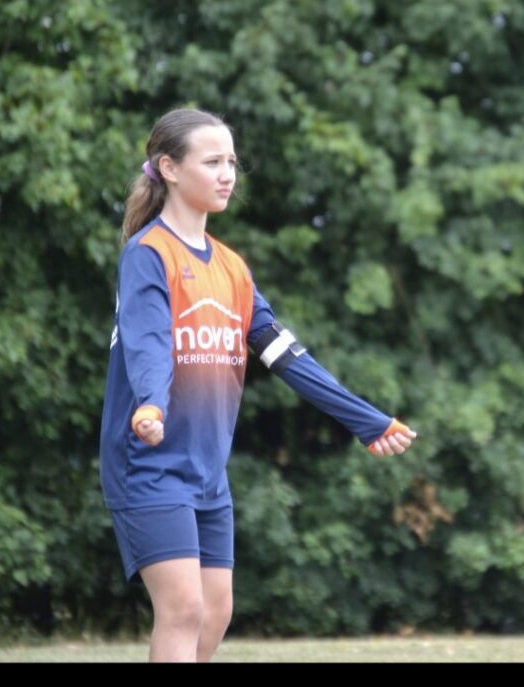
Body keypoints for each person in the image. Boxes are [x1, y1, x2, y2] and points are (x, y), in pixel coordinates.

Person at [100, 107, 415, 662]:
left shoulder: (233, 269)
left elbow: (288, 357)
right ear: (169, 168)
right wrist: (150, 405)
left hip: (206, 469)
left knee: (216, 610)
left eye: (231, 162)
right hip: (148, 462)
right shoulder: (148, 254)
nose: (228, 174)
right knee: (183, 610)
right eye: (212, 162)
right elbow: (147, 344)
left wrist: (367, 422)